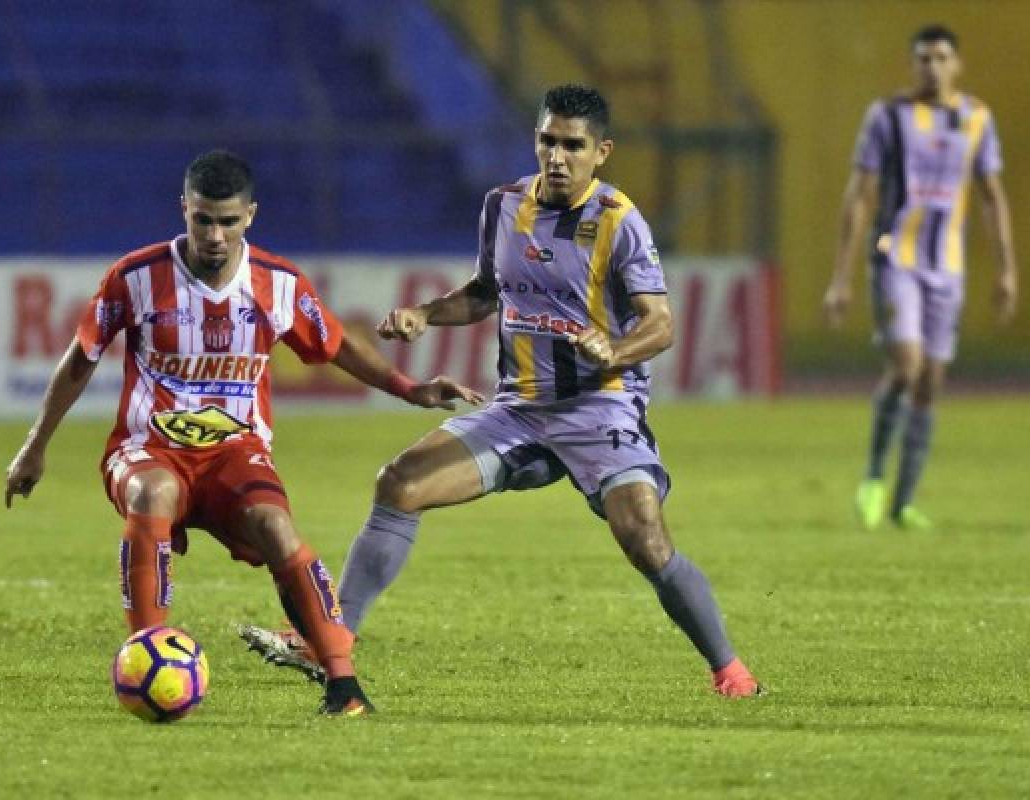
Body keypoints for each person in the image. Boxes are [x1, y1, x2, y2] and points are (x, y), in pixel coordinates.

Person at [241, 84, 762, 698]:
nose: (557, 156)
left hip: (600, 407)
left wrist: (614, 351)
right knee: (399, 484)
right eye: (548, 140)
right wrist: (425, 314)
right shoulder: (502, 206)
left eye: (573, 145)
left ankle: (731, 673)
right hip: (520, 408)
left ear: (602, 152)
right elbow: (486, 292)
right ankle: (329, 640)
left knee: (644, 535)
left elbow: (660, 324)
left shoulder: (620, 222)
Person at [4, 150, 481, 716]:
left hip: (236, 454)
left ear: (250, 215)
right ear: (183, 209)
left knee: (277, 527)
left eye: (227, 221)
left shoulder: (278, 285)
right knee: (150, 493)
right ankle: (148, 653)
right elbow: (79, 359)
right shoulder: (135, 277)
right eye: (202, 219)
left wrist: (410, 388)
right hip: (148, 449)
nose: (214, 234)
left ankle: (344, 686)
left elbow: (336, 345)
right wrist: (35, 446)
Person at [823, 24, 1018, 530]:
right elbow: (860, 195)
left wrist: (1007, 271)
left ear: (957, 64)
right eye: (923, 59)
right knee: (907, 367)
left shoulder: (976, 118)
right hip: (896, 260)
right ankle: (872, 477)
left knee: (930, 383)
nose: (932, 67)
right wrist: (841, 278)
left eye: (941, 58)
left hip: (946, 267)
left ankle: (903, 502)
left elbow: (992, 196)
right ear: (912, 65)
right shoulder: (887, 117)